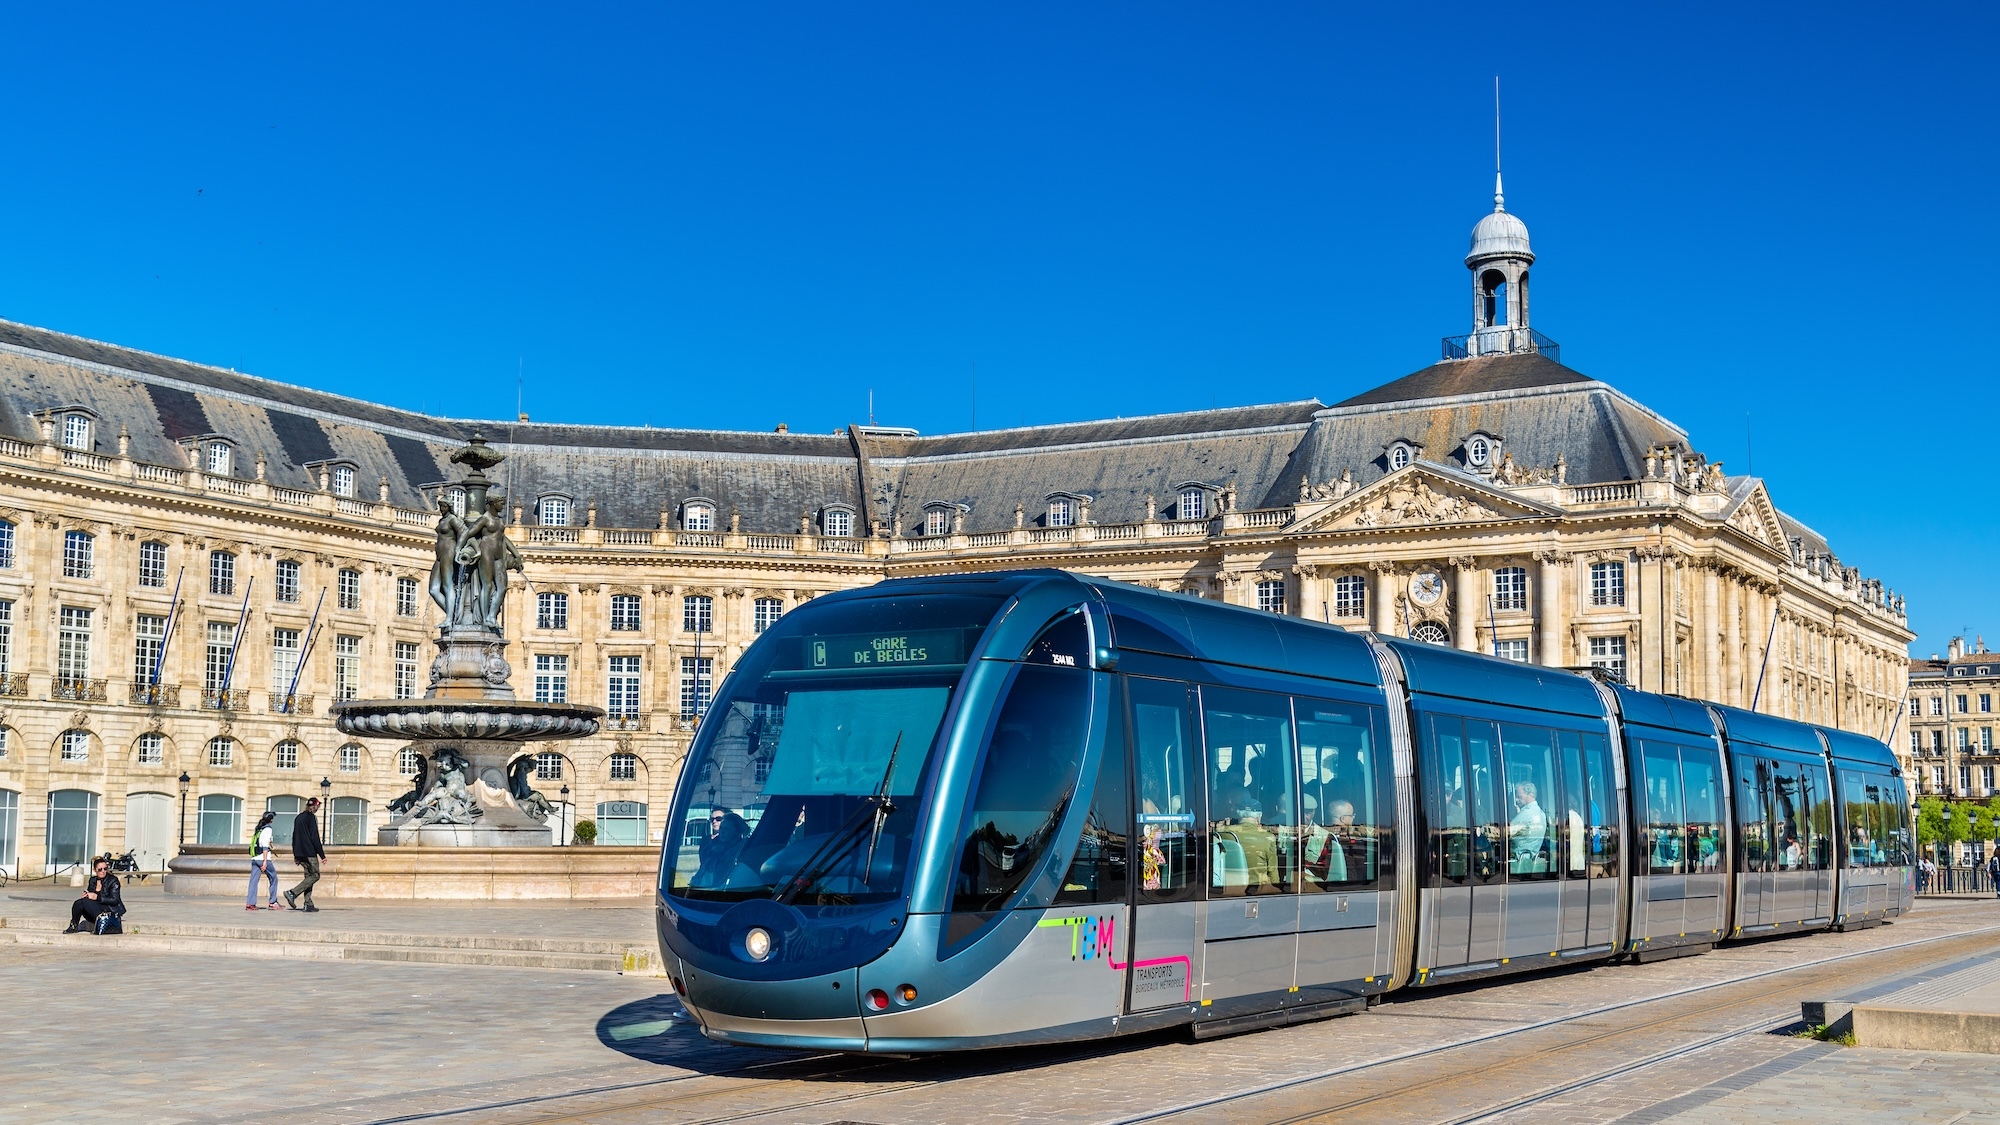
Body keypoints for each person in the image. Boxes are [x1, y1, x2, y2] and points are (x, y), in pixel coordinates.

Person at [283, 797, 326, 912]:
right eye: (318, 806)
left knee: (309, 877)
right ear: (315, 806)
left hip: (300, 852)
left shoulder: (298, 817)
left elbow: (295, 836)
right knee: (315, 875)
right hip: (310, 852)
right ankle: (292, 893)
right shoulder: (311, 818)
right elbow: (314, 837)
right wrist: (322, 855)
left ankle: (308, 904)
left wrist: (296, 855)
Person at [66, 857, 125, 933]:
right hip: (97, 909)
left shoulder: (113, 880)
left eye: (105, 869)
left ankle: (99, 924)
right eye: (100, 869)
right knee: (79, 902)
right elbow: (91, 898)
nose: (103, 871)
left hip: (111, 910)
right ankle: (73, 925)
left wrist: (97, 897)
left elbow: (115, 900)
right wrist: (87, 895)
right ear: (95, 870)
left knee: (84, 902)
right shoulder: (93, 880)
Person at [1508, 781, 1549, 873]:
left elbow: (1507, 832)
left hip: (1517, 861)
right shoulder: (1541, 813)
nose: (1516, 799)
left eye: (1519, 797)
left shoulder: (1526, 813)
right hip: (1529, 859)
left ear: (1530, 795)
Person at [246, 810, 282, 911]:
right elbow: (265, 845)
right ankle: (273, 902)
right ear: (270, 820)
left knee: (253, 881)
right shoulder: (268, 829)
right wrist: (265, 861)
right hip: (262, 858)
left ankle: (250, 903)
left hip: (255, 858)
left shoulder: (259, 828)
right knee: (274, 878)